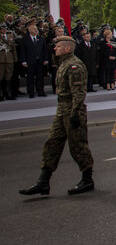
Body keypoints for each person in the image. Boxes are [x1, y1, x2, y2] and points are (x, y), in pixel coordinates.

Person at [19, 36, 94, 196]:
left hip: (73, 110)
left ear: (67, 48)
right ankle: (43, 182)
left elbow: (79, 92)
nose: (55, 48)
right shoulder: (63, 63)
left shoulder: (75, 65)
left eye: (58, 46)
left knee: (77, 146)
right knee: (52, 143)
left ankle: (87, 179)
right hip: (62, 109)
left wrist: (75, 113)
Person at [21, 21, 48, 98]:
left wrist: (46, 59)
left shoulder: (41, 38)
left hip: (40, 60)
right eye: (34, 29)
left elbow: (44, 50)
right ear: (29, 30)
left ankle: (40, 91)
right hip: (30, 61)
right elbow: (23, 51)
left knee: (40, 76)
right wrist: (23, 61)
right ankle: (31, 92)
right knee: (30, 77)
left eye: (36, 29)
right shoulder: (25, 39)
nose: (36, 30)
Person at [0, 23, 17, 100]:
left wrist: (15, 58)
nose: (4, 30)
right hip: (1, 58)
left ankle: (8, 93)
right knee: (0, 76)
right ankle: (1, 94)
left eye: (5, 29)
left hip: (9, 58)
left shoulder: (10, 36)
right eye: (2, 29)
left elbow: (13, 48)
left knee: (8, 76)